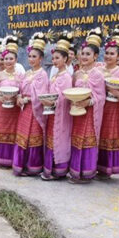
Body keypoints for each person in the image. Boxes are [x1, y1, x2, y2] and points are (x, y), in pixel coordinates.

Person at [68, 32, 106, 183]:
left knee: (87, 141)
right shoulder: (76, 74)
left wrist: (87, 103)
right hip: (76, 112)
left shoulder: (97, 74)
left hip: (90, 113)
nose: (84, 57)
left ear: (95, 56)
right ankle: (75, 171)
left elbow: (101, 96)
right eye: (82, 53)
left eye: (88, 54)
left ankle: (87, 173)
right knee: (76, 140)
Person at [12, 33, 49, 176]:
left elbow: (42, 93)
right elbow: (21, 89)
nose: (31, 59)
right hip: (24, 110)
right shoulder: (26, 73)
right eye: (30, 56)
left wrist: (28, 99)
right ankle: (20, 165)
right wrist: (20, 97)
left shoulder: (43, 74)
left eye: (35, 57)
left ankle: (32, 166)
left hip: (35, 110)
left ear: (41, 58)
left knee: (33, 137)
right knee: (22, 136)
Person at [97, 30, 119, 179]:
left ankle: (107, 169)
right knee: (97, 135)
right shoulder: (98, 70)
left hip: (113, 109)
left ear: (118, 57)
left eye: (112, 54)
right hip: (100, 108)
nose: (108, 56)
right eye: (107, 53)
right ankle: (94, 165)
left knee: (109, 137)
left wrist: (111, 89)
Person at [41, 34, 74, 180]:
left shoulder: (66, 77)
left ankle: (58, 170)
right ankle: (49, 168)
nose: (54, 61)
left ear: (65, 59)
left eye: (57, 58)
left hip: (60, 113)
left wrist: (53, 102)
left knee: (59, 139)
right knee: (50, 139)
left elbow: (64, 96)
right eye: (53, 58)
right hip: (52, 112)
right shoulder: (55, 75)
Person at [0, 37, 22, 167]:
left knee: (14, 132)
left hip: (14, 109)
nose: (8, 61)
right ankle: (2, 158)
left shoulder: (20, 75)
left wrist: (18, 97)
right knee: (2, 131)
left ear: (16, 60)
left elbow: (22, 91)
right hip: (2, 108)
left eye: (11, 59)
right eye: (6, 59)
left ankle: (13, 158)